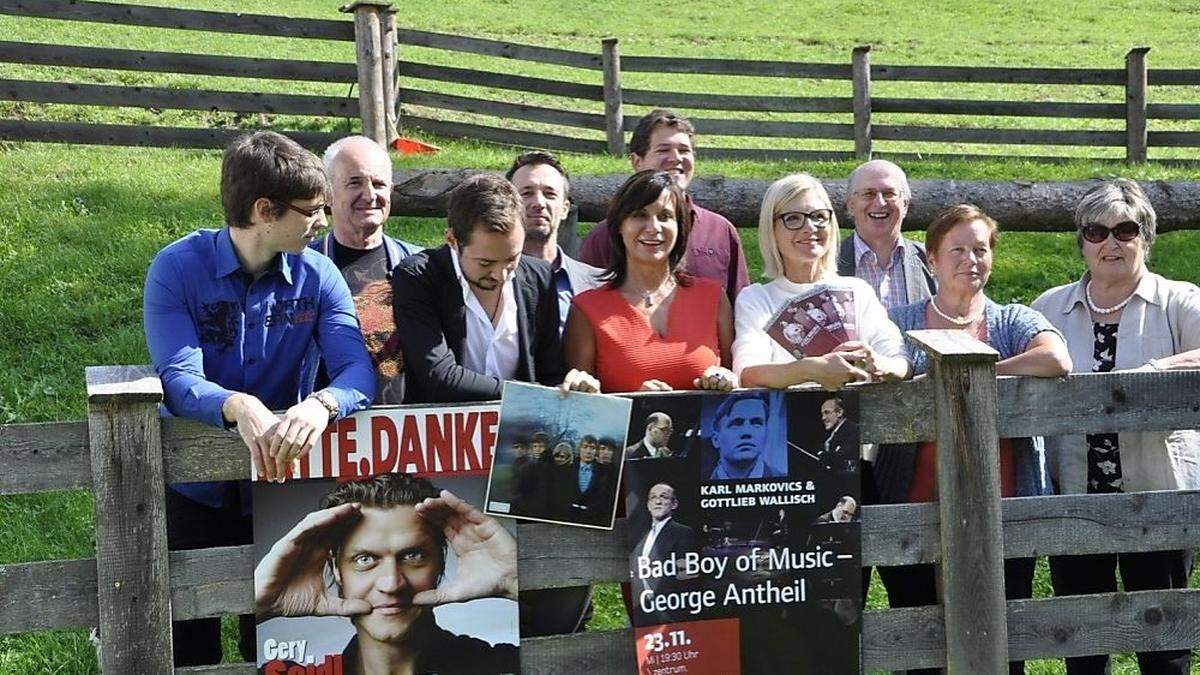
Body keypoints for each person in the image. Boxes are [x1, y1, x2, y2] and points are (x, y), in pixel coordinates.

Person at [143, 130, 376, 666]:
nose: (322, 221)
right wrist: (237, 404)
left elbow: (355, 369)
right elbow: (178, 376)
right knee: (188, 632)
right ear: (265, 210)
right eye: (312, 210)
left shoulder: (320, 276)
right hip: (192, 481)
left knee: (279, 634)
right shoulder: (176, 269)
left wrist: (323, 404)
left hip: (283, 484)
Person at [879, 203, 1072, 675]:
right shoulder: (898, 319)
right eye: (957, 250)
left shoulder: (1011, 320)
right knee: (921, 644)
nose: (971, 260)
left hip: (1005, 508)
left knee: (1003, 645)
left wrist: (972, 372)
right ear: (931, 260)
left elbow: (1056, 359)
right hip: (912, 507)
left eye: (981, 249)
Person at [1032, 179, 1199, 675]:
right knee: (1082, 641)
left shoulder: (1179, 301)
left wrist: (1152, 376)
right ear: (1081, 241)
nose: (1111, 242)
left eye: (1125, 230)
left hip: (1159, 495)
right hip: (1076, 497)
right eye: (1096, 231)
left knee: (1165, 641)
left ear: (1145, 237)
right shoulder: (1048, 307)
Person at [254, 474, 519, 675]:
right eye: (365, 559)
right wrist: (261, 603)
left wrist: (513, 579)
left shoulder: (504, 667)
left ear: (440, 560)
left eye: (412, 556)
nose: (392, 583)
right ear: (336, 569)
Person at [391, 174, 572, 403]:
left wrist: (566, 389)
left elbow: (549, 372)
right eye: (485, 263)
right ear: (452, 240)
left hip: (519, 433)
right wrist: (526, 394)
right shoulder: (419, 277)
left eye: (511, 258)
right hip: (444, 432)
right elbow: (439, 378)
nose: (501, 274)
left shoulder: (539, 277)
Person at [563, 170, 737, 394]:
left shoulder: (712, 298)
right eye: (640, 215)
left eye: (665, 216)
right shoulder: (587, 309)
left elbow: (741, 384)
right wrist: (636, 401)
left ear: (680, 226)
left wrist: (727, 379)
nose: (653, 227)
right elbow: (580, 405)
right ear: (619, 225)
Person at [732, 173, 909, 391]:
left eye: (818, 216)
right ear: (772, 230)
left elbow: (901, 362)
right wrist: (811, 370)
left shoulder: (857, 290)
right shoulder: (757, 299)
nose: (809, 227)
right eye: (793, 218)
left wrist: (877, 362)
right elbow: (748, 374)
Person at [577, 109, 749, 303]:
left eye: (684, 150)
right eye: (663, 150)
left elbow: (740, 308)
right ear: (637, 161)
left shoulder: (720, 231)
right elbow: (588, 306)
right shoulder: (606, 236)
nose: (676, 158)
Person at [309, 135, 422, 404]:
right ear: (328, 193)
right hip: (326, 432)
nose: (370, 195)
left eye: (379, 184)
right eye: (355, 183)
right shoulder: (303, 268)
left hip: (405, 431)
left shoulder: (419, 266)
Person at [505, 151, 603, 334]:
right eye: (527, 193)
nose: (539, 202)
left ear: (565, 209)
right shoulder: (491, 278)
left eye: (549, 194)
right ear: (509, 205)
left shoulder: (597, 284)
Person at [838, 160, 936, 309]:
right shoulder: (828, 263)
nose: (880, 203)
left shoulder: (934, 263)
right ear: (851, 205)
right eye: (869, 194)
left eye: (889, 193)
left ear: (905, 205)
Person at [629, 482, 698, 625]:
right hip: (641, 609)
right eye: (653, 497)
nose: (658, 501)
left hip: (669, 612)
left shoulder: (683, 532)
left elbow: (686, 577)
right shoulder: (640, 536)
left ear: (674, 504)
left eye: (664, 497)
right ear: (648, 505)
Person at [708, 392, 778, 480]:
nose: (747, 432)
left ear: (766, 432)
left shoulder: (787, 479)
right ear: (715, 439)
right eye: (736, 424)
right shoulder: (695, 486)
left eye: (756, 423)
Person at [820, 397, 859, 472]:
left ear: (839, 412)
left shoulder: (854, 431)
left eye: (827, 412)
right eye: (822, 414)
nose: (823, 418)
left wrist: (828, 458)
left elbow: (853, 466)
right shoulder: (835, 433)